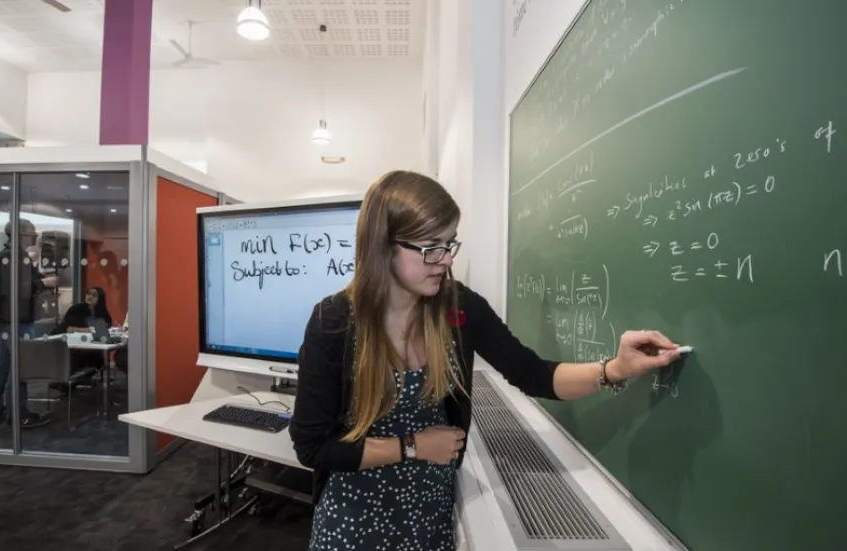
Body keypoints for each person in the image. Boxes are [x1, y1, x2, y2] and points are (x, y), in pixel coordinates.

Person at [289, 170, 683, 551]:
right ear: (383, 246)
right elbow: (313, 448)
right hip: (352, 521)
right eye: (430, 247)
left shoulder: (458, 309)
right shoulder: (334, 323)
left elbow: (534, 374)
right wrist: (412, 446)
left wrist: (615, 369)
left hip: (429, 518)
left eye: (450, 243)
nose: (445, 259)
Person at [0, 219, 56, 428]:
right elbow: (20, 289)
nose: (34, 236)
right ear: (21, 233)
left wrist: (37, 276)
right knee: (20, 366)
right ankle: (18, 413)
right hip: (17, 319)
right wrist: (44, 283)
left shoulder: (10, 255)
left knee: (3, 364)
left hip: (9, 318)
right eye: (31, 232)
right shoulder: (15, 256)